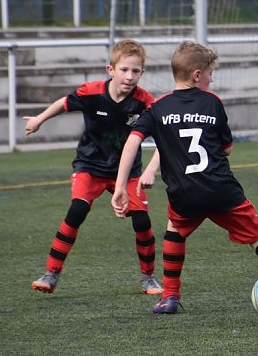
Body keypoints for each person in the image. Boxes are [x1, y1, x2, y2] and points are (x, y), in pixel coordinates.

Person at [111, 41, 258, 316]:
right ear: (197, 75)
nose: (212, 78)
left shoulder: (158, 108)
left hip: (184, 193)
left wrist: (121, 186)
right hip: (222, 189)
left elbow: (132, 141)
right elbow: (227, 147)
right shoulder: (212, 102)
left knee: (174, 232)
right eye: (210, 73)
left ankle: (170, 297)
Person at [24, 39, 162, 295]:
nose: (130, 76)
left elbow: (165, 139)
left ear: (142, 73)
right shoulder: (92, 92)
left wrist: (151, 169)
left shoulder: (145, 102)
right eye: (124, 70)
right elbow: (64, 103)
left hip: (128, 171)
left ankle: (148, 278)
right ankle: (51, 273)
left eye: (136, 71)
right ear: (110, 69)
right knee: (76, 210)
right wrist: (39, 119)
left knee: (141, 221)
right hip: (90, 166)